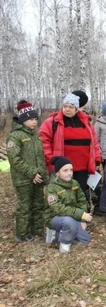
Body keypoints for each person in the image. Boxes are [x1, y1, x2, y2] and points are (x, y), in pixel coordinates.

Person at [39, 92, 102, 202]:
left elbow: (94, 143)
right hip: (62, 167)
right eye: (65, 106)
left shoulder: (86, 122)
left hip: (82, 167)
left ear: (77, 109)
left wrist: (96, 159)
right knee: (63, 194)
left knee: (80, 192)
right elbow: (44, 141)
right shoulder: (53, 122)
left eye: (71, 107)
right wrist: (51, 159)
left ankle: (79, 214)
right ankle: (64, 216)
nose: (67, 109)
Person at [6, 101, 48, 242]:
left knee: (38, 204)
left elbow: (40, 157)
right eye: (31, 119)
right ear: (23, 120)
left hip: (37, 177)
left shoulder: (35, 136)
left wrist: (43, 175)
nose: (34, 122)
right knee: (25, 206)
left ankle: (37, 230)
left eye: (36, 119)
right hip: (24, 179)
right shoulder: (15, 136)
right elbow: (14, 159)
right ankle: (22, 234)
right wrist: (31, 173)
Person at [43, 157, 93, 253]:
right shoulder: (51, 187)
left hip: (72, 217)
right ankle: (64, 245)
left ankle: (59, 234)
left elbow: (81, 200)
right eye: (65, 170)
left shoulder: (74, 183)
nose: (69, 173)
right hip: (54, 217)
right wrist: (81, 214)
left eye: (71, 170)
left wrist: (82, 219)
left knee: (85, 239)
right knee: (69, 222)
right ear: (57, 172)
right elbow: (58, 209)